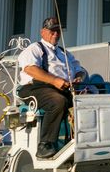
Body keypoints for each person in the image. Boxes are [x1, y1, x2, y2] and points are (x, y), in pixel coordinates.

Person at [17, 17, 87, 158]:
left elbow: (80, 69)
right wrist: (54, 80)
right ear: (43, 32)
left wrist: (79, 77)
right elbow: (30, 69)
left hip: (64, 88)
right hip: (35, 88)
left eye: (58, 31)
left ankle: (84, 141)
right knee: (57, 101)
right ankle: (45, 145)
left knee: (90, 101)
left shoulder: (64, 52)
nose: (56, 34)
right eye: (52, 31)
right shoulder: (35, 48)